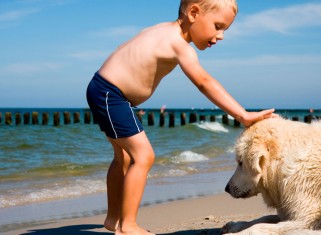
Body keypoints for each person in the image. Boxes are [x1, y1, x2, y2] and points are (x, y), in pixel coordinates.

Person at [86, 0, 277, 234]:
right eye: (218, 26)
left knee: (123, 157)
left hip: (104, 90)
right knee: (143, 156)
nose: (221, 36)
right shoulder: (177, 43)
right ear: (194, 13)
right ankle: (128, 226)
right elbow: (204, 82)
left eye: (224, 29)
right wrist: (242, 115)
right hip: (111, 94)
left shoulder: (161, 31)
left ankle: (114, 218)